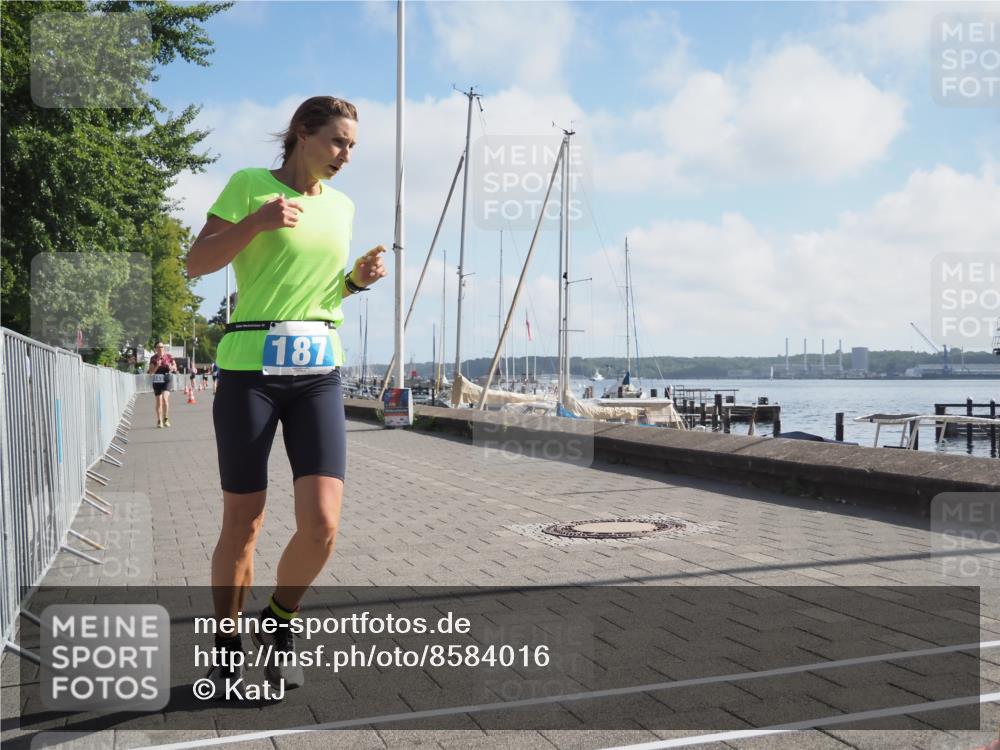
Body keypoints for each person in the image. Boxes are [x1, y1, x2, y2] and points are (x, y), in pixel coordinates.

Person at [186, 96, 387, 696]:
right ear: (303, 133)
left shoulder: (343, 207)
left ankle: (279, 621)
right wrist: (255, 224)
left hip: (319, 372)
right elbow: (195, 264)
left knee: (323, 523)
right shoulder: (250, 186)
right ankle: (226, 644)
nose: (347, 155)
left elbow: (317, 294)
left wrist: (354, 281)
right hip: (250, 372)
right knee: (243, 523)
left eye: (352, 146)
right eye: (338, 142)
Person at [147, 342, 178, 427]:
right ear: (155, 349)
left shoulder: (169, 357)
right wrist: (157, 365)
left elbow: (175, 366)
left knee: (165, 398)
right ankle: (159, 420)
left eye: (162, 347)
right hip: (157, 380)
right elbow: (151, 372)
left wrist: (172, 367)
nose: (160, 348)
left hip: (167, 379)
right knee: (159, 402)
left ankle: (166, 418)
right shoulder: (153, 358)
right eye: (158, 347)